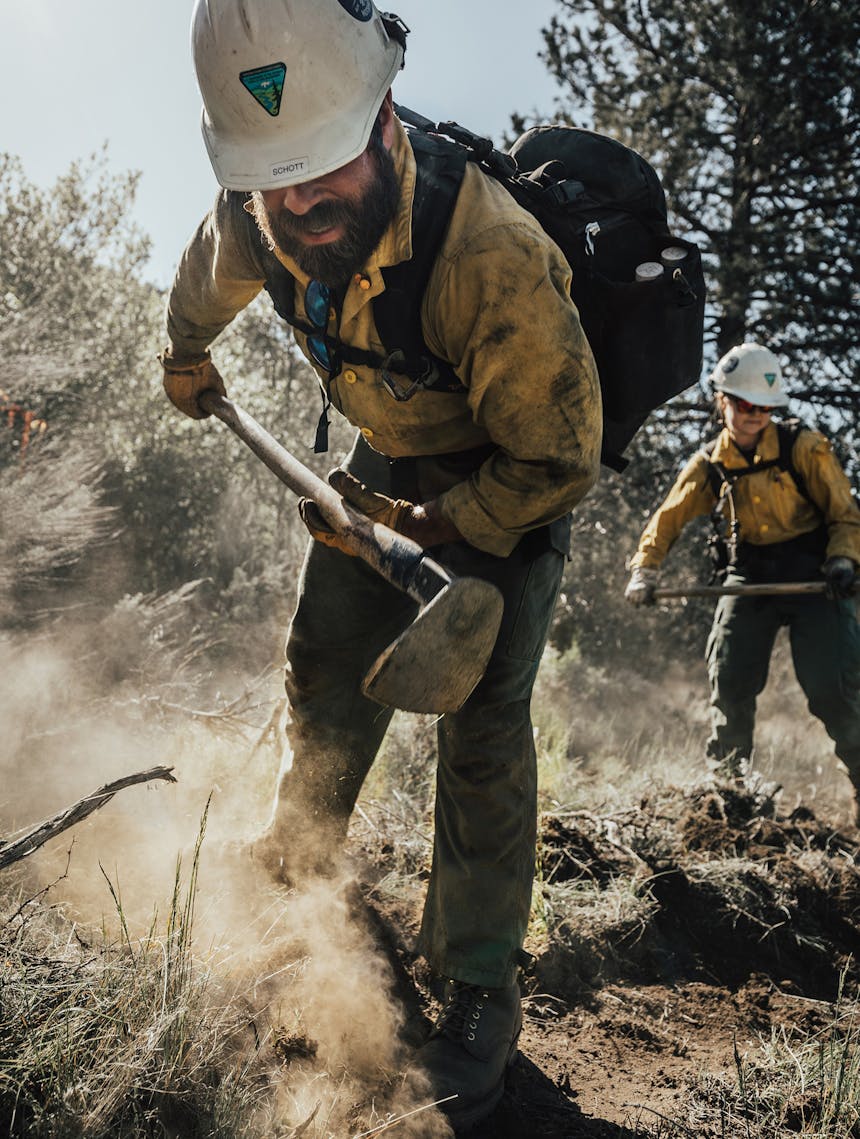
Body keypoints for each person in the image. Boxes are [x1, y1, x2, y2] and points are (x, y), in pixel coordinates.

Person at [159, 0, 601, 1127]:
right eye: (277, 183)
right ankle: (301, 860)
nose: (301, 206)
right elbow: (209, 269)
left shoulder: (489, 255)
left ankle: (478, 984)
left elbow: (557, 457)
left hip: (502, 480)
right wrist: (184, 354)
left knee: (484, 721)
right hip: (383, 451)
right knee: (322, 659)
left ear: (383, 118)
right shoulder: (260, 209)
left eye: (326, 175)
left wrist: (434, 520)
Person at [625, 342, 860, 810]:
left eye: (763, 408)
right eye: (743, 404)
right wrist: (645, 570)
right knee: (729, 678)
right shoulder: (710, 465)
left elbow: (845, 516)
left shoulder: (806, 449)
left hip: (816, 576)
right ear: (723, 402)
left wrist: (843, 561)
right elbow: (667, 519)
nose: (753, 415)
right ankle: (730, 796)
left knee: (831, 687)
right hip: (748, 574)